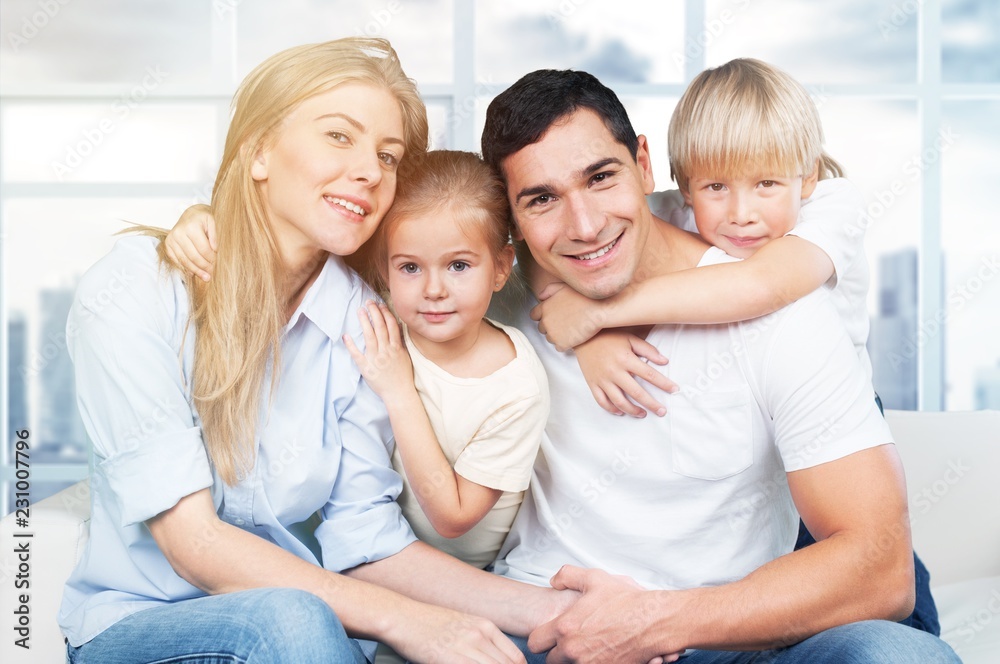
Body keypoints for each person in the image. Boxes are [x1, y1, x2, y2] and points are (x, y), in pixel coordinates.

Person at [58, 37, 571, 664]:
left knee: (548, 644)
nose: (369, 170)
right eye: (338, 136)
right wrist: (409, 623)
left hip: (319, 626)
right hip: (143, 626)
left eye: (388, 156)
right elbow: (194, 546)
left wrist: (559, 615)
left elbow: (367, 541)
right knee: (289, 621)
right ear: (259, 150)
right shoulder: (134, 287)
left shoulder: (365, 319)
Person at [478, 68, 960, 662]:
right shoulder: (484, 291)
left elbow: (882, 570)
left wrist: (653, 622)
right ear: (510, 217)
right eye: (541, 199)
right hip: (547, 626)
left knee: (903, 655)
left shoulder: (782, 293)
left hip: (722, 634)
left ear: (644, 165)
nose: (585, 225)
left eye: (601, 178)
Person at [344, 149, 549, 571]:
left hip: (461, 578)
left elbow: (453, 516)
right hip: (370, 549)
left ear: (500, 267)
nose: (433, 289)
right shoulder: (381, 322)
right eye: (410, 267)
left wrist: (399, 391)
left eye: (458, 265)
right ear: (384, 270)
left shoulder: (515, 386)